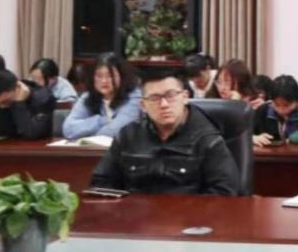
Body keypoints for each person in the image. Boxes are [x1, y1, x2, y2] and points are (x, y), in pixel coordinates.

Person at [89, 69, 240, 195]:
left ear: (185, 97)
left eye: (170, 95)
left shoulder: (207, 139)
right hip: (137, 217)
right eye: (155, 98)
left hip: (189, 219)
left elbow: (225, 192)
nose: (164, 104)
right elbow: (101, 183)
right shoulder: (128, 136)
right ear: (143, 105)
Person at [62, 54, 142, 140]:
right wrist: (103, 121)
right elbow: (68, 129)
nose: (104, 81)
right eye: (99, 76)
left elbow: (117, 130)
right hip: (92, 148)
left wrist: (88, 135)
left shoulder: (134, 97)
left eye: (110, 76)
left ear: (122, 77)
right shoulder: (88, 96)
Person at [253, 75, 298, 147]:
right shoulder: (264, 108)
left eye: (286, 105)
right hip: (271, 153)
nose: (281, 110)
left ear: (297, 100)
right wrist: (253, 138)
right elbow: (246, 132)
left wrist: (293, 137)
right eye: (276, 104)